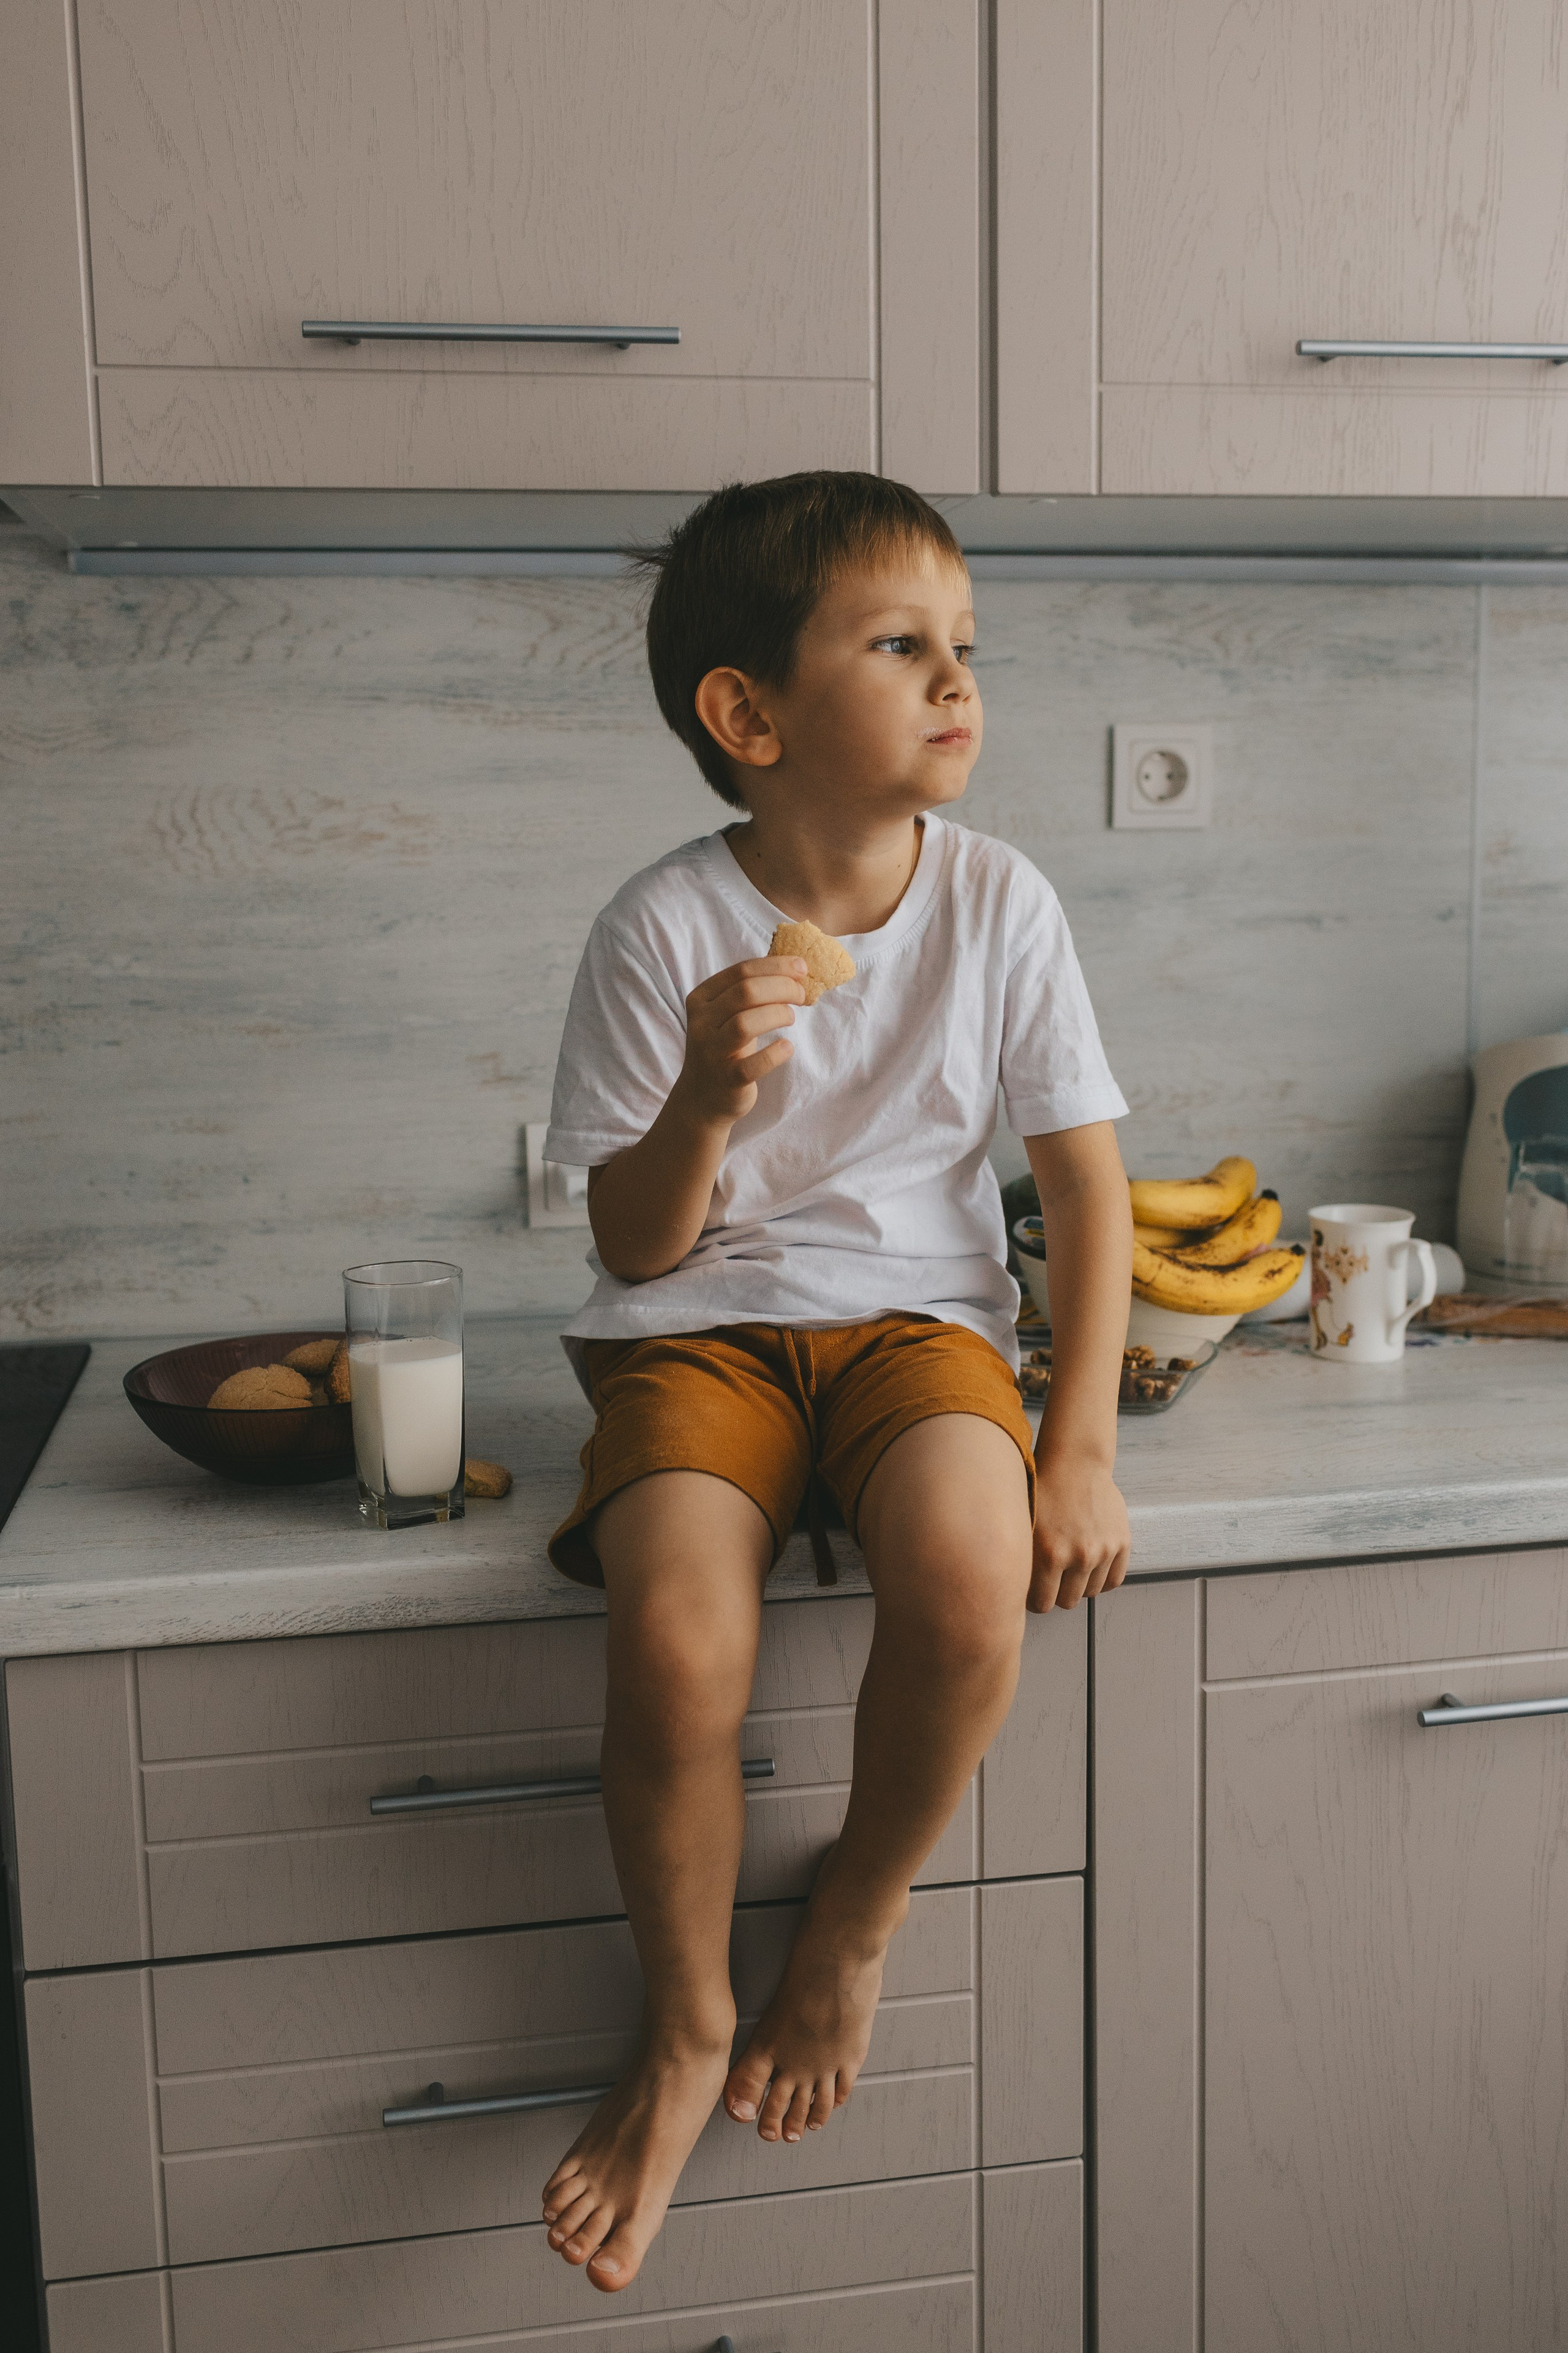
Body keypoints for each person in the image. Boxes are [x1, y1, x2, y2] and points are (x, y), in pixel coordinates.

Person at [538, 470, 1133, 2291]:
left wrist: (1081, 1440)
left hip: (920, 1330)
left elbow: (1083, 1185)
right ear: (750, 714)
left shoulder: (1002, 901)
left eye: (966, 645)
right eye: (900, 645)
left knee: (970, 1578)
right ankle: (690, 2013)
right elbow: (637, 1245)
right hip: (698, 1332)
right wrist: (709, 1092)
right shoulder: (659, 933)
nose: (957, 677)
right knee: (677, 1643)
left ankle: (853, 1925)